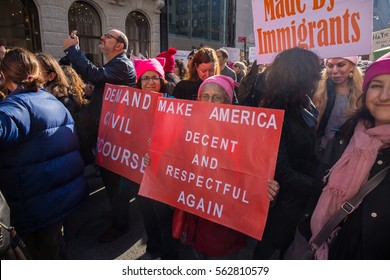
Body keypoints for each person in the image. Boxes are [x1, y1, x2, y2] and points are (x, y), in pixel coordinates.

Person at [144, 75, 280, 259]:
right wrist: (153, 158)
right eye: (205, 97)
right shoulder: (189, 128)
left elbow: (254, 171)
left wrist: (265, 189)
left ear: (229, 101)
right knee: (198, 255)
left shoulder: (247, 134)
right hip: (195, 216)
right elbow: (171, 157)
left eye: (217, 97)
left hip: (225, 223)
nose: (210, 102)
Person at [0, 47, 88, 259]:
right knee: (57, 250)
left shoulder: (17, 106)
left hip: (35, 206)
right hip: (54, 201)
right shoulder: (48, 99)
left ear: (3, 75)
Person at [309, 52, 390, 260]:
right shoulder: (347, 133)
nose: (384, 96)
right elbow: (318, 185)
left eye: (341, 65)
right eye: (377, 85)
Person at [63, 29, 137, 242]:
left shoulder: (122, 64)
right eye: (103, 34)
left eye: (108, 36)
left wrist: (72, 49)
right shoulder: (114, 65)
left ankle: (120, 226)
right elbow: (101, 82)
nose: (102, 37)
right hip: (107, 133)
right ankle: (116, 215)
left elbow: (94, 74)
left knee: (116, 183)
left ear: (119, 46)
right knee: (110, 180)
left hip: (117, 137)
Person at [252, 47, 322, 259]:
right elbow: (281, 170)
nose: (318, 80)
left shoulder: (303, 106)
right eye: (314, 75)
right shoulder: (276, 113)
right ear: (301, 78)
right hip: (283, 208)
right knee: (270, 253)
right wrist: (317, 187)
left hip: (298, 203)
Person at [134, 58, 179, 260]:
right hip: (138, 171)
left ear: (162, 81)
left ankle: (169, 256)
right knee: (146, 212)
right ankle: (152, 248)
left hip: (163, 173)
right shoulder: (132, 104)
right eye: (145, 78)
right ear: (139, 82)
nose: (150, 82)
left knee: (163, 216)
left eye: (155, 77)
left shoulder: (173, 104)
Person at [313, 56, 363, 153]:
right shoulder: (318, 90)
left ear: (352, 66)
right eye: (330, 66)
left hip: (350, 152)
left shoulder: (363, 92)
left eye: (341, 65)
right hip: (322, 151)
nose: (334, 71)